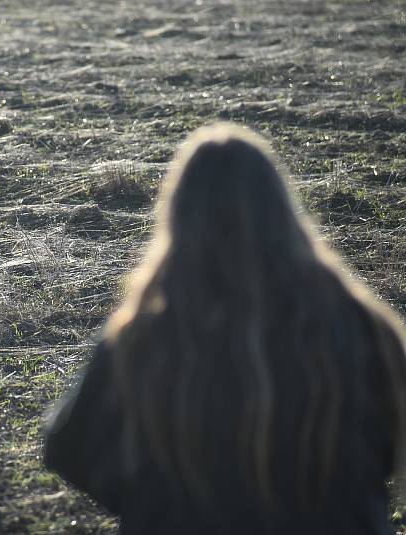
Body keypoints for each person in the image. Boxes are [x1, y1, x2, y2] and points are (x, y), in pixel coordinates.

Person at [44, 123, 406, 534]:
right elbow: (389, 440)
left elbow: (68, 447)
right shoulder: (361, 324)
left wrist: (148, 501)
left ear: (178, 217)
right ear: (282, 210)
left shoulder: (144, 334)